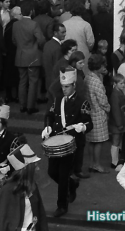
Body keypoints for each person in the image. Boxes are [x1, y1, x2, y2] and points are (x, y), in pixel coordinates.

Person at [42, 68, 91, 217]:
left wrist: (82, 127)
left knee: (63, 175)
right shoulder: (58, 100)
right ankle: (73, 184)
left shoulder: (82, 102)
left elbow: (89, 123)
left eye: (67, 86)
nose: (64, 89)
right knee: (52, 172)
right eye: (63, 86)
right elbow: (50, 115)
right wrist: (47, 126)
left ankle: (62, 206)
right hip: (56, 140)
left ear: (74, 85)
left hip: (72, 144)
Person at [0, 137, 48, 231]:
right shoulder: (7, 190)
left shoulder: (32, 186)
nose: (38, 168)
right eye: (35, 166)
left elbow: (40, 214)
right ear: (26, 169)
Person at [13, 2, 46, 115]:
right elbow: (41, 39)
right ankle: (30, 106)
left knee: (22, 81)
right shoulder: (34, 24)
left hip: (20, 55)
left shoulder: (16, 25)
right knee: (33, 82)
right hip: (33, 56)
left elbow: (14, 40)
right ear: (31, 11)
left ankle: (22, 105)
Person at [85, 54, 111, 174]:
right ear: (98, 66)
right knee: (99, 142)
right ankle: (96, 164)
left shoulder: (87, 78)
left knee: (91, 141)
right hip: (98, 114)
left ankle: (91, 163)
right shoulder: (96, 82)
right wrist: (108, 109)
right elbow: (103, 100)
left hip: (90, 113)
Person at [108, 74, 125, 170]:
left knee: (118, 141)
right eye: (121, 83)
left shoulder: (117, 92)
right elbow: (116, 111)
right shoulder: (115, 95)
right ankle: (114, 161)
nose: (123, 85)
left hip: (119, 122)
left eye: (123, 83)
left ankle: (117, 160)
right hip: (117, 123)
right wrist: (119, 124)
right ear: (115, 84)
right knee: (116, 141)